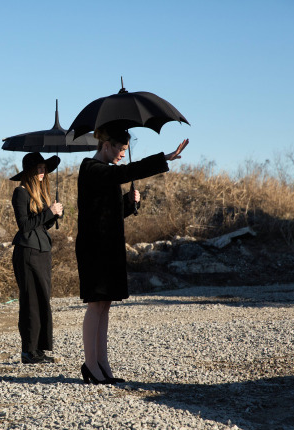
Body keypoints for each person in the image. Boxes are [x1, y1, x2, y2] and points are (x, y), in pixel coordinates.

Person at [76, 123, 189, 384]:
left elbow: (111, 213)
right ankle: (90, 365)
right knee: (95, 305)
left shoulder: (108, 173)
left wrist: (129, 204)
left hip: (109, 245)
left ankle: (102, 364)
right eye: (121, 149)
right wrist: (164, 158)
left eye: (126, 150)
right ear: (107, 146)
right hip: (94, 248)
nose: (123, 155)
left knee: (105, 305)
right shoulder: (90, 168)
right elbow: (127, 171)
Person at [10, 152, 63, 364]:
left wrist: (54, 215)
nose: (43, 172)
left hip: (42, 252)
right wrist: (48, 212)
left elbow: (41, 226)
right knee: (30, 300)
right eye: (39, 168)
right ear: (30, 171)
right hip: (27, 252)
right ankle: (28, 351)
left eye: (44, 168)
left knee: (43, 300)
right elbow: (24, 226)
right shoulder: (20, 193)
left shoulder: (39, 195)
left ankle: (40, 349)